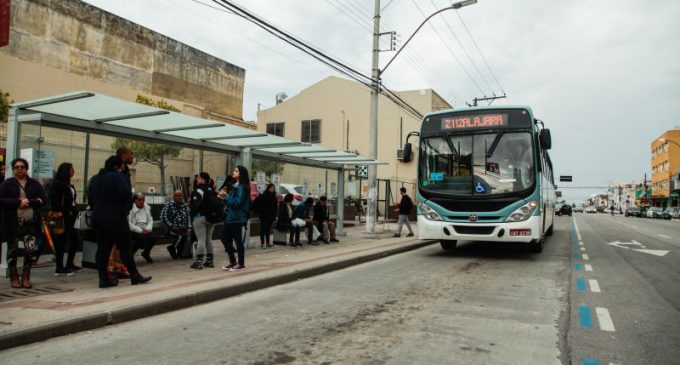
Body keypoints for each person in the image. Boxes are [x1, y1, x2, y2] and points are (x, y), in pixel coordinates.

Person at [88, 155, 151, 288]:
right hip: (116, 218)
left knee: (103, 249)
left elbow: (90, 200)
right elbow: (126, 195)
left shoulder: (94, 179)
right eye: (122, 168)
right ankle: (135, 276)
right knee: (125, 248)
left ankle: (103, 279)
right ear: (117, 167)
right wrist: (125, 210)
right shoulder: (116, 177)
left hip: (98, 218)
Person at [0, 158, 47, 288]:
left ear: (26, 169)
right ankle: (14, 277)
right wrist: (18, 202)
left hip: (30, 223)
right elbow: (1, 200)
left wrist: (29, 202)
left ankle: (26, 276)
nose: (19, 169)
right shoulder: (7, 184)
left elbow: (43, 199)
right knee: (12, 251)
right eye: (16, 167)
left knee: (30, 250)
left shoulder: (34, 184)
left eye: (22, 167)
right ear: (13, 169)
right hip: (13, 223)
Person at [49, 162, 82, 276]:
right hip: (64, 216)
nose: (73, 171)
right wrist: (67, 210)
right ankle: (59, 267)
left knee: (76, 240)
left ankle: (69, 263)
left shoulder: (69, 185)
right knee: (62, 242)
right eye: (72, 169)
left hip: (72, 216)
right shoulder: (59, 184)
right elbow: (56, 202)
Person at [219, 165, 251, 272]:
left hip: (237, 217)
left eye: (236, 171)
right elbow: (232, 201)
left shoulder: (242, 187)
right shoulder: (236, 185)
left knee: (238, 241)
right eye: (234, 170)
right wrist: (224, 197)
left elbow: (237, 203)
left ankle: (241, 264)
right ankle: (233, 261)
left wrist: (226, 196)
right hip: (230, 217)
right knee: (224, 237)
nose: (233, 172)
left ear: (241, 173)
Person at [189, 172, 217, 269]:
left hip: (200, 217)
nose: (197, 179)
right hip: (212, 218)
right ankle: (210, 260)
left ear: (203, 180)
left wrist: (192, 215)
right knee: (208, 239)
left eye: (199, 178)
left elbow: (195, 205)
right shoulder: (211, 190)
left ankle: (199, 261)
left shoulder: (198, 190)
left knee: (200, 239)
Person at [160, 190, 192, 259]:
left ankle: (179, 253)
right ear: (174, 196)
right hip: (171, 228)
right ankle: (172, 248)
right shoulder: (168, 205)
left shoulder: (185, 206)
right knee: (182, 236)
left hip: (183, 227)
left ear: (182, 196)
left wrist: (189, 227)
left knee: (187, 236)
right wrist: (171, 225)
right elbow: (163, 217)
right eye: (176, 196)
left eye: (180, 196)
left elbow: (189, 217)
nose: (178, 197)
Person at [129, 192, 155, 263]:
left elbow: (150, 220)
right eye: (139, 200)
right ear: (135, 201)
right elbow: (129, 223)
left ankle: (145, 253)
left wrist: (148, 229)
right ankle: (130, 256)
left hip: (145, 230)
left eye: (143, 200)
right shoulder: (131, 209)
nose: (141, 201)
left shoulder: (147, 208)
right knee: (141, 238)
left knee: (152, 238)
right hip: (134, 230)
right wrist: (140, 230)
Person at [253, 183, 278, 249]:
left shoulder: (274, 197)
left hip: (271, 216)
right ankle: (262, 243)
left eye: (273, 188)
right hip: (264, 216)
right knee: (263, 229)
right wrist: (260, 212)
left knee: (268, 229)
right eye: (271, 188)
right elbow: (256, 204)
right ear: (268, 189)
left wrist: (274, 216)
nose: (272, 189)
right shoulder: (264, 196)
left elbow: (275, 207)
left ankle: (267, 243)